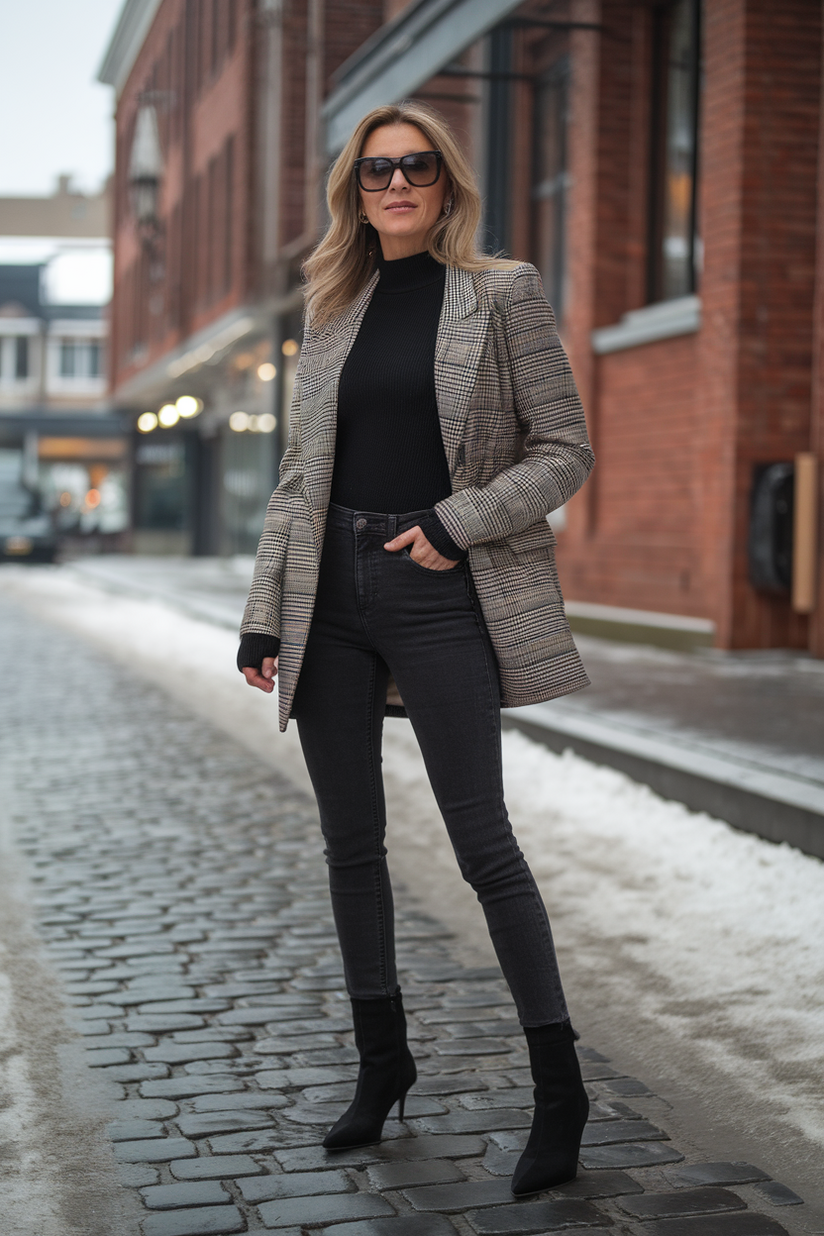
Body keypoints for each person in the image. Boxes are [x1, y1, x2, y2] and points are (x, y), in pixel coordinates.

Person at [238, 100, 595, 1197]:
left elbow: (564, 451)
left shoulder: (501, 292)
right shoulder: (332, 303)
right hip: (326, 593)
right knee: (351, 846)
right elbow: (300, 479)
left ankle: (558, 1090)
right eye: (377, 169)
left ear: (446, 185)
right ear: (353, 188)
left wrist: (453, 521)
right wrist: (264, 608)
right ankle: (382, 1064)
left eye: (417, 167)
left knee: (483, 846)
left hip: (440, 588)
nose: (396, 184)